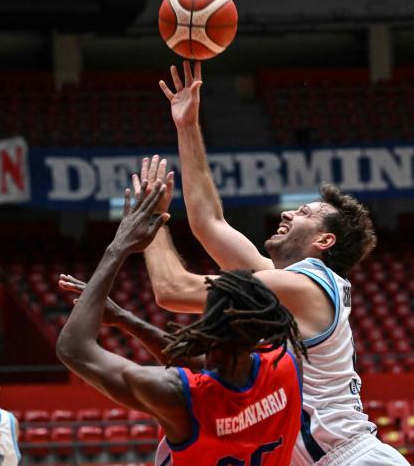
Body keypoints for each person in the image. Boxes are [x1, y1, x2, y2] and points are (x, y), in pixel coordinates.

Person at [139, 61, 410, 466]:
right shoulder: (286, 283)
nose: (286, 214)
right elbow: (209, 223)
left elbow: (173, 290)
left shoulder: (307, 285)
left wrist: (150, 222)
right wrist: (187, 125)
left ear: (324, 240)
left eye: (302, 212)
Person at [56, 182, 305, 466]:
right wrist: (126, 320)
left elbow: (73, 349)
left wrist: (119, 246)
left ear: (206, 327)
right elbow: (206, 362)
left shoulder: (180, 396)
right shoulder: (286, 365)